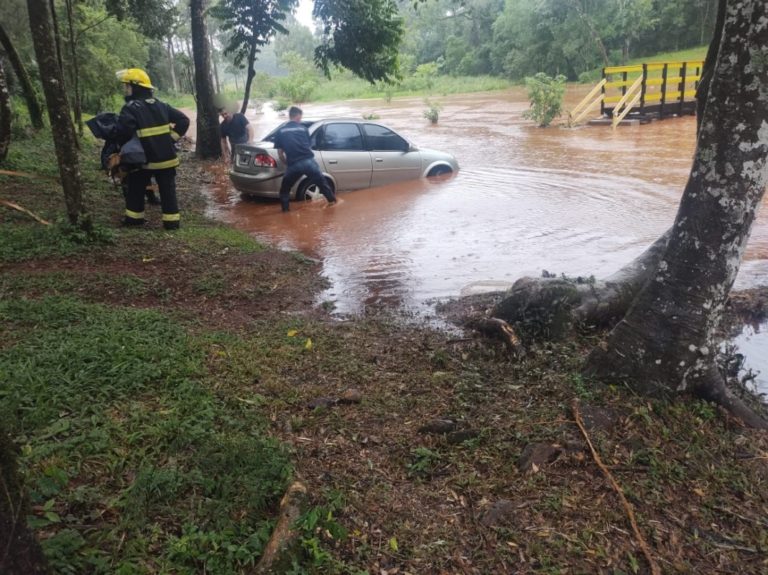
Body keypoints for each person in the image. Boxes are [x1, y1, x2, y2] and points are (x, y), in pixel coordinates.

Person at [115, 68, 189, 229]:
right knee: (168, 191)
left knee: (135, 187)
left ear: (135, 87)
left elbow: (123, 133)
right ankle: (172, 223)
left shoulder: (130, 108)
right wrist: (171, 139)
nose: (125, 90)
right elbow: (184, 120)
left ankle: (134, 220)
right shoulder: (162, 105)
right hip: (167, 159)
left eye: (127, 86)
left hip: (144, 161)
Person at [274, 106, 336, 212]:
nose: (301, 119)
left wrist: (287, 164)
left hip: (293, 165)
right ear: (298, 116)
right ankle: (333, 204)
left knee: (285, 190)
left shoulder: (280, 131)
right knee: (322, 184)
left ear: (290, 116)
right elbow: (307, 146)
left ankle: (285, 212)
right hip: (308, 162)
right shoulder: (303, 129)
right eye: (300, 117)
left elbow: (280, 154)